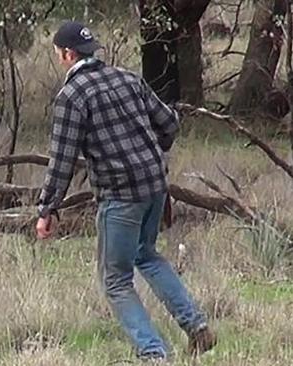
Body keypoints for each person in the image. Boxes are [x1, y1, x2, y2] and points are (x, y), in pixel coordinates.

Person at [35, 20, 217, 361]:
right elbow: (169, 124)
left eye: (59, 52)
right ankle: (197, 327)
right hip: (155, 185)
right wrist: (149, 152)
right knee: (146, 254)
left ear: (67, 54)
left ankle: (153, 352)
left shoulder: (71, 95)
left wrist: (47, 209)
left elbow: (61, 159)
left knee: (115, 280)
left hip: (120, 196)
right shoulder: (127, 78)